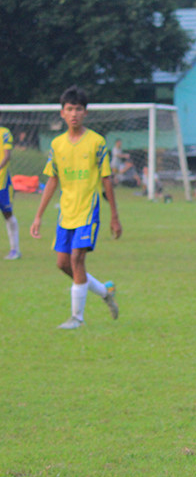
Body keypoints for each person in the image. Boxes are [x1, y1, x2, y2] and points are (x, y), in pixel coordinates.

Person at [29, 86, 121, 330]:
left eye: (78, 109)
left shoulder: (96, 142)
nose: (74, 114)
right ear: (62, 113)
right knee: (63, 264)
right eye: (69, 109)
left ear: (85, 113)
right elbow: (52, 179)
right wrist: (38, 216)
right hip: (66, 212)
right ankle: (104, 292)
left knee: (77, 259)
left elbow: (106, 179)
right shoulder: (57, 144)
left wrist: (114, 217)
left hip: (88, 209)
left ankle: (77, 318)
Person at [1, 125, 20, 259]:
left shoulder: (5, 133)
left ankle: (15, 250)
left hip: (2, 183)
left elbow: (7, 156)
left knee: (8, 214)